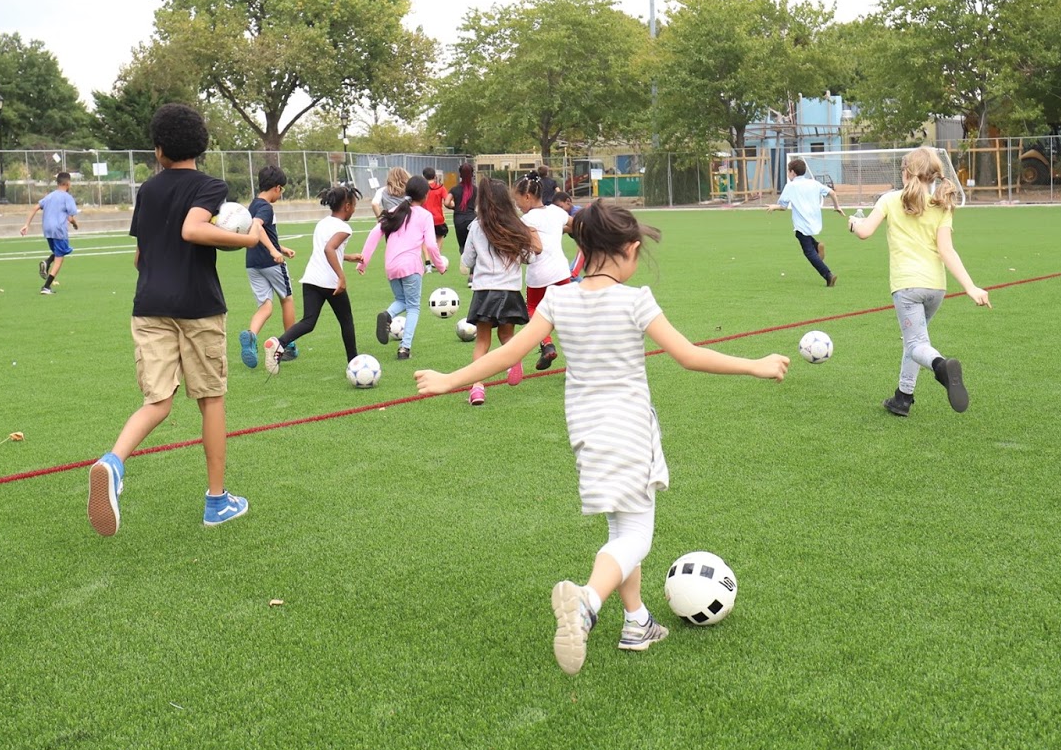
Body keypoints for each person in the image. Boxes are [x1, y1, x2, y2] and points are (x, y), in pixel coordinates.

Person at [414, 202, 790, 675]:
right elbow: (688, 356)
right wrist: (755, 364)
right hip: (630, 429)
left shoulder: (557, 300)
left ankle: (637, 622)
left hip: (586, 431)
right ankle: (587, 603)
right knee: (636, 536)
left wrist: (451, 379)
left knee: (619, 530)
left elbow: (510, 351)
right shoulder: (636, 300)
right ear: (628, 250)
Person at [86, 103, 270, 536]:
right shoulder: (209, 186)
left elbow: (140, 257)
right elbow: (193, 230)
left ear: (158, 149)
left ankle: (112, 462)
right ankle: (217, 501)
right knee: (210, 399)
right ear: (201, 147)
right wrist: (243, 239)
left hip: (149, 305)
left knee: (157, 402)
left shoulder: (147, 191)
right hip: (197, 306)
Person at [848, 146, 992, 417]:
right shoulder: (941, 206)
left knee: (916, 345)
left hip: (907, 287)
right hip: (936, 288)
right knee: (914, 342)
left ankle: (941, 366)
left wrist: (854, 223)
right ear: (933, 176)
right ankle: (903, 398)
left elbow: (865, 232)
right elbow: (947, 251)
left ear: (905, 173)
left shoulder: (890, 200)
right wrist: (971, 287)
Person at [263, 185, 365, 374]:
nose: (354, 209)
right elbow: (329, 250)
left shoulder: (323, 223)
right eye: (354, 206)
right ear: (348, 206)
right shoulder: (344, 228)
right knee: (346, 321)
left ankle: (279, 342)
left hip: (311, 279)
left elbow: (328, 250)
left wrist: (348, 257)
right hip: (330, 282)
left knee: (308, 322)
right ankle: (354, 363)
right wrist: (341, 277)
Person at [459, 177, 540, 405]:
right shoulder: (516, 225)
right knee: (506, 336)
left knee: (482, 342)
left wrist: (468, 263)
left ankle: (477, 388)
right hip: (510, 290)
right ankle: (514, 361)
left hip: (484, 291)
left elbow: (467, 259)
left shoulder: (476, 226)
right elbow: (531, 257)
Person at [359, 175, 448, 359]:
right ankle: (404, 348)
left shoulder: (394, 210)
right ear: (425, 196)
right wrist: (439, 265)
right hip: (411, 266)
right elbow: (431, 245)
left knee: (402, 300)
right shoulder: (425, 215)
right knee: (414, 307)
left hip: (391, 266)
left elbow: (374, 234)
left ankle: (387, 314)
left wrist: (363, 262)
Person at [239, 166, 298, 369]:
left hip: (252, 263)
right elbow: (257, 227)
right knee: (287, 299)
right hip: (270, 262)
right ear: (277, 188)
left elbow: (257, 232)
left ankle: (251, 335)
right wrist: (274, 252)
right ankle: (289, 344)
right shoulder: (265, 207)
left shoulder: (252, 205)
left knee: (265, 305)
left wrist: (281, 247)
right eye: (281, 191)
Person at [515, 175, 572, 371]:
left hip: (539, 274)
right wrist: (559, 231)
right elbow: (573, 223)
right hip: (561, 271)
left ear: (528, 196)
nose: (517, 204)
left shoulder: (526, 219)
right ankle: (578, 359)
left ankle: (547, 344)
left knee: (533, 309)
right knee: (566, 315)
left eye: (518, 199)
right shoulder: (556, 211)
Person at [769, 157, 845, 287]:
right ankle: (817, 245)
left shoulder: (791, 186)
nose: (788, 174)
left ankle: (828, 275)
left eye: (788, 171)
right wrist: (836, 207)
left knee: (809, 252)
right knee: (802, 237)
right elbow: (832, 192)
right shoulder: (813, 183)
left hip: (802, 223)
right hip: (814, 220)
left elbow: (783, 206)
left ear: (793, 172)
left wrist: (773, 207)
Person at [21, 171, 79, 295]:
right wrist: (75, 224)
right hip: (59, 229)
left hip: (47, 229)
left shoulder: (50, 196)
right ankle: (46, 286)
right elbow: (70, 217)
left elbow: (35, 208)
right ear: (68, 183)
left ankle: (47, 262)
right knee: (60, 258)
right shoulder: (67, 197)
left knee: (59, 251)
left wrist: (26, 225)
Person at [445, 160, 478, 253]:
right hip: (472, 219)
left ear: (460, 175)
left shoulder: (455, 189)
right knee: (474, 244)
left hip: (459, 219)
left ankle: (464, 262)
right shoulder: (476, 190)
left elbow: (447, 202)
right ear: (472, 175)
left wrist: (454, 207)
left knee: (462, 244)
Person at [421, 166, 450, 246]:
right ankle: (437, 256)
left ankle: (427, 258)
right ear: (435, 176)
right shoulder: (440, 188)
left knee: (423, 239)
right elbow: (448, 201)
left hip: (424, 218)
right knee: (439, 237)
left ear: (423, 176)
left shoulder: (421, 188)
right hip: (438, 218)